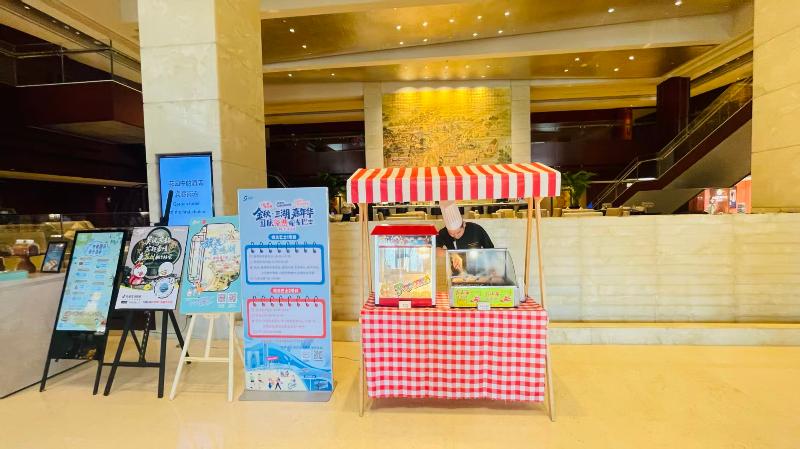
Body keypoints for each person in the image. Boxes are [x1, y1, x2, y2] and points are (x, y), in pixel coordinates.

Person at [437, 200, 493, 272]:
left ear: (464, 225)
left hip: (479, 270)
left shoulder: (476, 229)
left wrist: (492, 268)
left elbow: (490, 250)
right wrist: (452, 254)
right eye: (452, 234)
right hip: (457, 271)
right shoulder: (443, 233)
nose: (455, 236)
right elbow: (435, 250)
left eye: (458, 232)